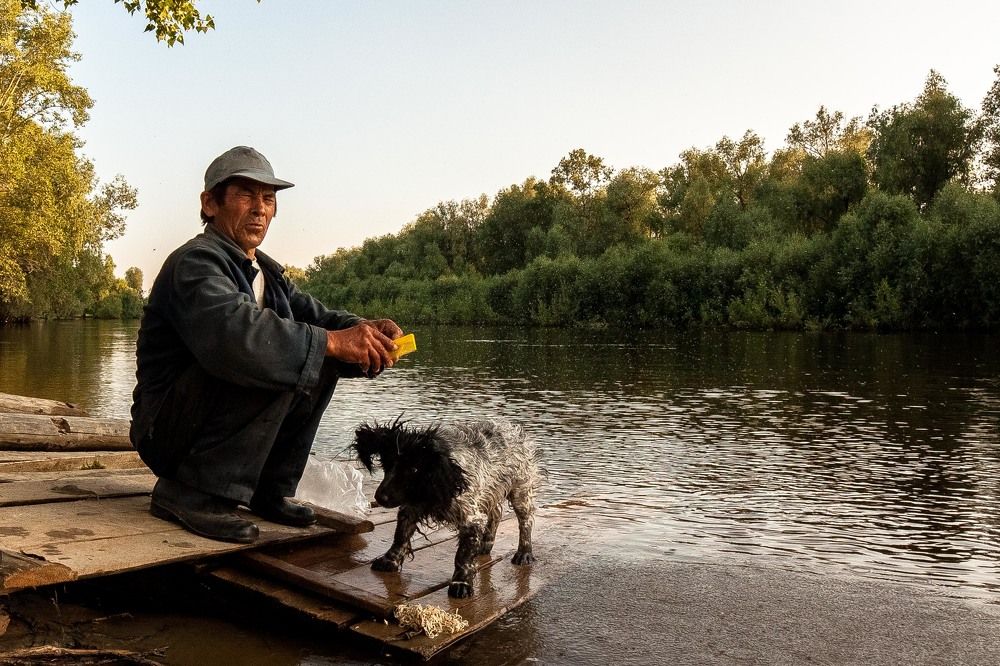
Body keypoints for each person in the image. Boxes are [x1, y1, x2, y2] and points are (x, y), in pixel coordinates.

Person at [130, 146, 402, 544]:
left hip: (194, 421)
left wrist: (362, 331)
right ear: (210, 203)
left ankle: (266, 490)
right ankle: (188, 493)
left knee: (317, 352)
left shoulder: (267, 272)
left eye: (268, 198)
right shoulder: (195, 263)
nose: (259, 208)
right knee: (275, 349)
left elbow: (318, 317)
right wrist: (331, 341)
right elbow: (235, 337)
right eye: (245, 195)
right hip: (166, 433)